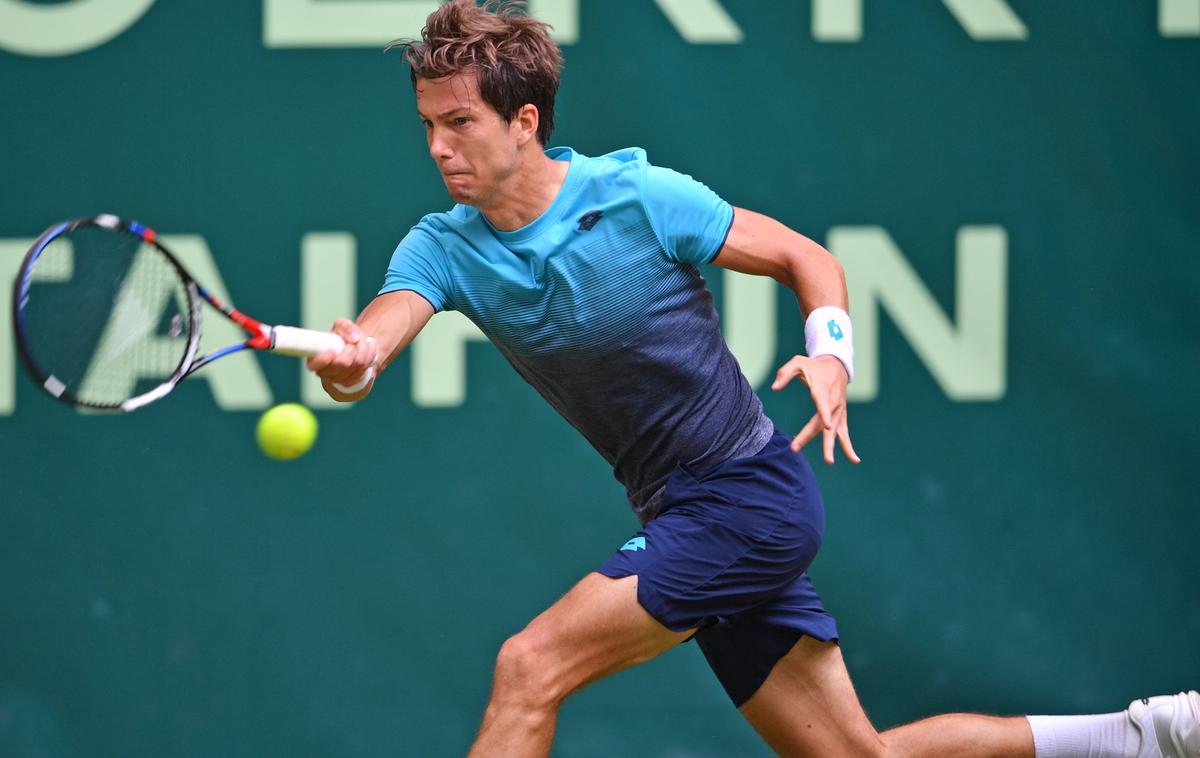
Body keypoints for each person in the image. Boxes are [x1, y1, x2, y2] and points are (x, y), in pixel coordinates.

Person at [307, 2, 1199, 756]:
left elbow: (804, 257)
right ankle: (1135, 736)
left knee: (528, 666)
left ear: (525, 122)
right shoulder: (441, 246)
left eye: (459, 122)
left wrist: (832, 354)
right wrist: (354, 361)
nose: (438, 147)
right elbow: (382, 334)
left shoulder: (637, 197)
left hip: (745, 498)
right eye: (428, 125)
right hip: (681, 511)